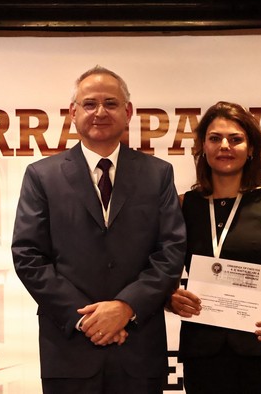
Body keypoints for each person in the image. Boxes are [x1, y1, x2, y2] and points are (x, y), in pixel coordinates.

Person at [12, 65, 186, 394]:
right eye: (90, 104)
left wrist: (126, 307)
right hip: (69, 350)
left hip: (138, 348)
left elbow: (171, 251)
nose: (100, 112)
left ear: (128, 112)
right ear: (73, 113)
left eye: (111, 103)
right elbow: (28, 256)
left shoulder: (158, 174)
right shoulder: (42, 176)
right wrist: (87, 319)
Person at [167, 101, 261, 393]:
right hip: (205, 350)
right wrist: (169, 299)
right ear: (202, 147)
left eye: (235, 139)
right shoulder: (183, 205)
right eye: (215, 138)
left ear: (251, 148)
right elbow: (164, 275)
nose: (225, 146)